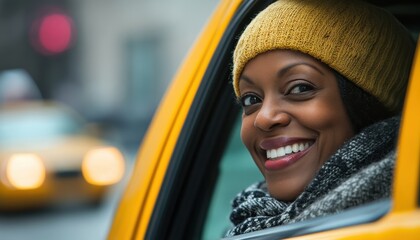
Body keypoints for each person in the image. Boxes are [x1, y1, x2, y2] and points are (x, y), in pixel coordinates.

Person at [225, 0, 415, 236]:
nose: (264, 118)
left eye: (300, 88)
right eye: (251, 100)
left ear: (369, 103)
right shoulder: (248, 220)